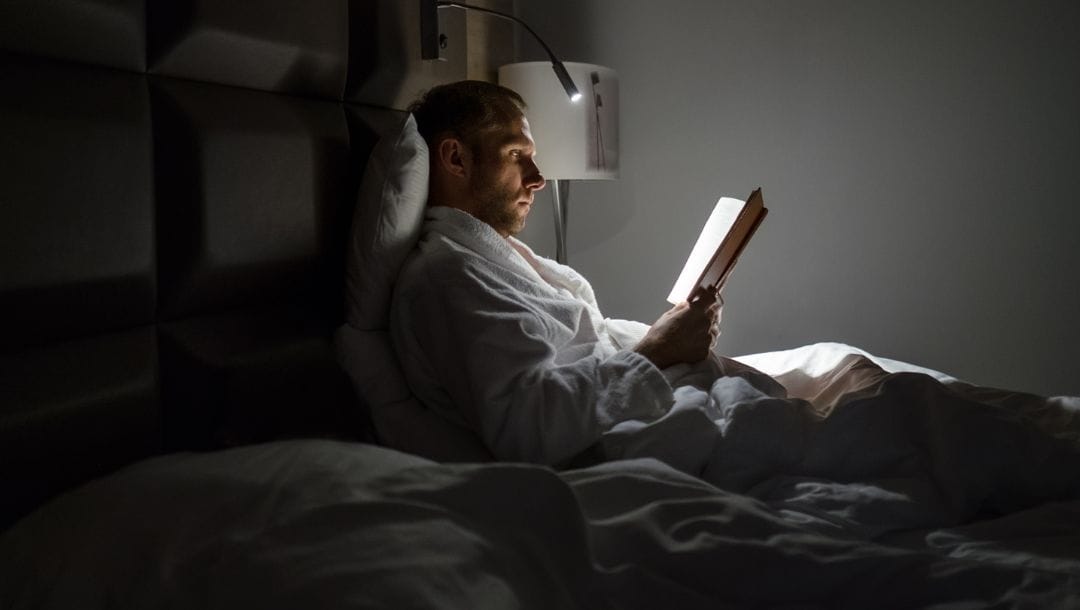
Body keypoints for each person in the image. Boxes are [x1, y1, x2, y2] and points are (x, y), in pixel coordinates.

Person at [390, 80, 738, 467]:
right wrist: (657, 351)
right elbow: (529, 426)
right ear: (456, 159)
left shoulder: (492, 258)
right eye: (516, 153)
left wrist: (672, 332)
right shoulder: (447, 278)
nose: (538, 177)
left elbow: (584, 340)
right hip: (618, 451)